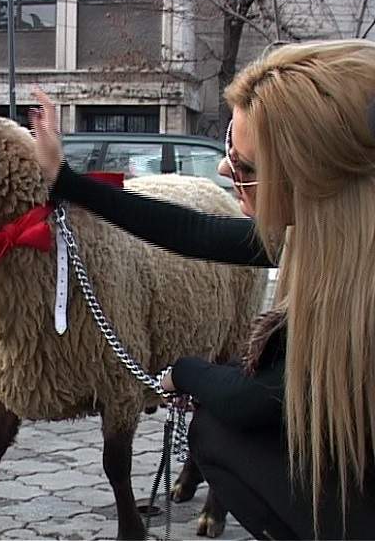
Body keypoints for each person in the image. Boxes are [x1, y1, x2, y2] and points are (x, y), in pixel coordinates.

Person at [29, 39, 375, 540]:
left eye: (246, 165)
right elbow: (194, 233)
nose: (222, 169)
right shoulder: (332, 235)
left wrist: (183, 373)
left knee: (215, 432)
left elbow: (252, 400)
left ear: (313, 175)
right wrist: (67, 181)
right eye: (229, 152)